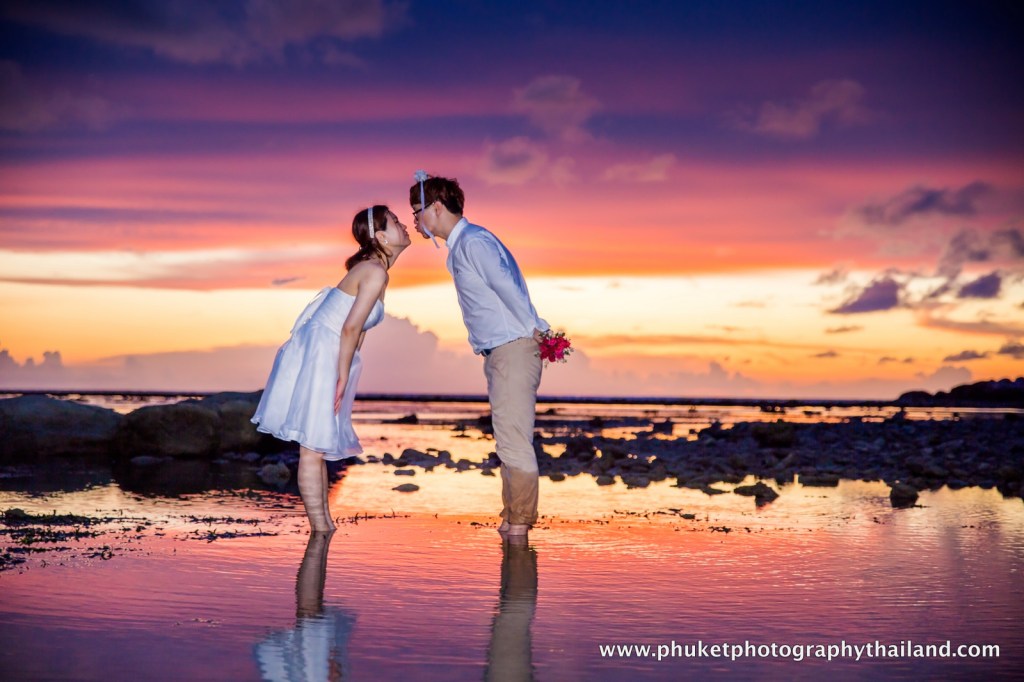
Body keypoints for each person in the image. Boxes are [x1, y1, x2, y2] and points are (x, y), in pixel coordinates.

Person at [252, 206, 411, 531]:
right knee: (312, 447)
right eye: (396, 222)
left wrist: (348, 369)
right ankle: (321, 530)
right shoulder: (375, 271)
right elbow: (350, 328)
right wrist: (340, 374)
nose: (405, 224)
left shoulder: (376, 270)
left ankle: (324, 525)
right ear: (381, 237)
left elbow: (360, 330)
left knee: (317, 444)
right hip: (324, 351)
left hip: (332, 352)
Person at [409, 174, 548, 538]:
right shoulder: (467, 243)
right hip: (503, 350)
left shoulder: (473, 241)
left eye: (417, 211)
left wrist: (536, 328)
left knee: (513, 441)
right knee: (507, 438)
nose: (414, 220)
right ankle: (511, 520)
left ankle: (518, 525)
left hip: (512, 347)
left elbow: (506, 284)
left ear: (436, 207)